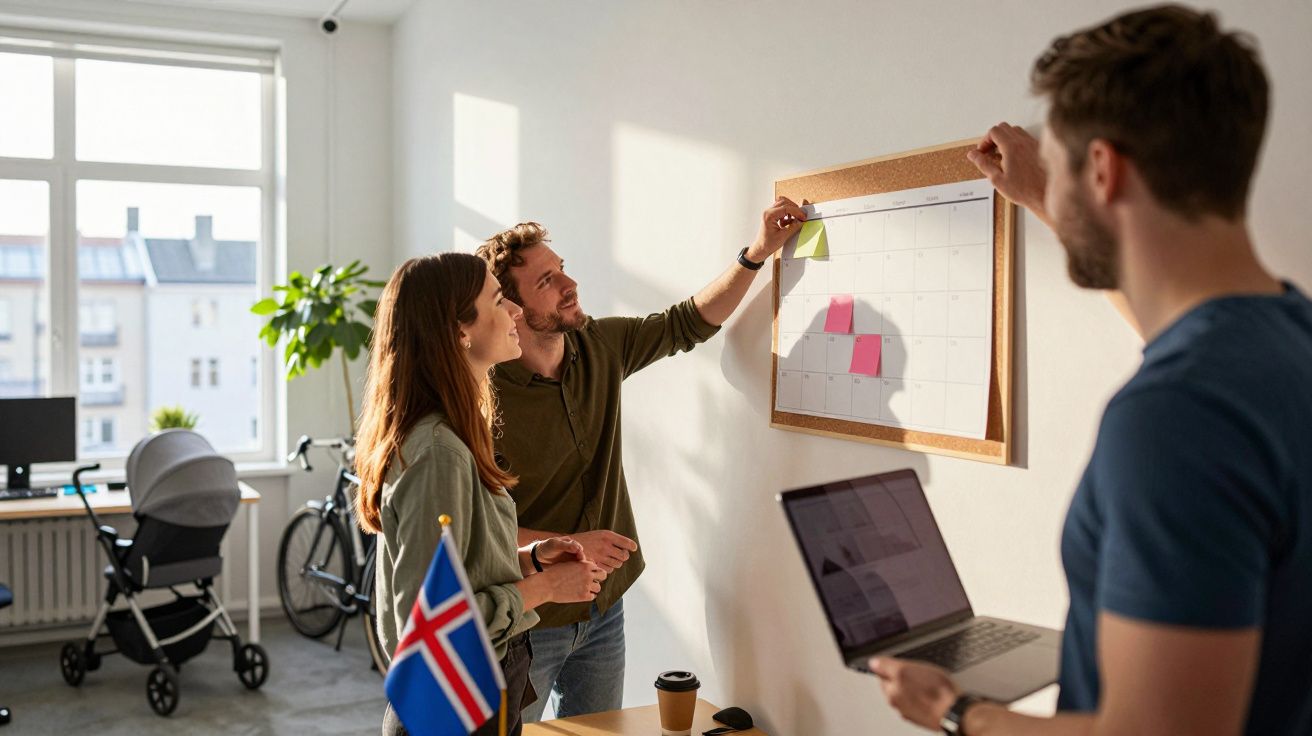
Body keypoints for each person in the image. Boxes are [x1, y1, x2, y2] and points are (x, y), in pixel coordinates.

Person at [872, 5, 1312, 735]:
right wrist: (1047, 200)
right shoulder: (1286, 341)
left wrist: (957, 711)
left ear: (1104, 170)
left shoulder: (1176, 415)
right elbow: (1180, 331)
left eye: (1063, 167)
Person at [476, 198, 806, 721]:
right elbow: (474, 529)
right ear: (513, 308)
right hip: (529, 617)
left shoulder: (600, 345)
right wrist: (564, 544)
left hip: (605, 608)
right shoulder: (483, 394)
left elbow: (688, 322)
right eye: (546, 282)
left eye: (562, 269)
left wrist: (757, 253)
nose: (569, 285)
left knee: (601, 732)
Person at [354, 252, 610, 736]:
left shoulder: (452, 435)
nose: (515, 310)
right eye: (497, 300)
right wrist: (547, 588)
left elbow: (460, 573)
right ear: (460, 332)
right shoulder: (438, 452)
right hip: (452, 707)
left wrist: (531, 559)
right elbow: (430, 625)